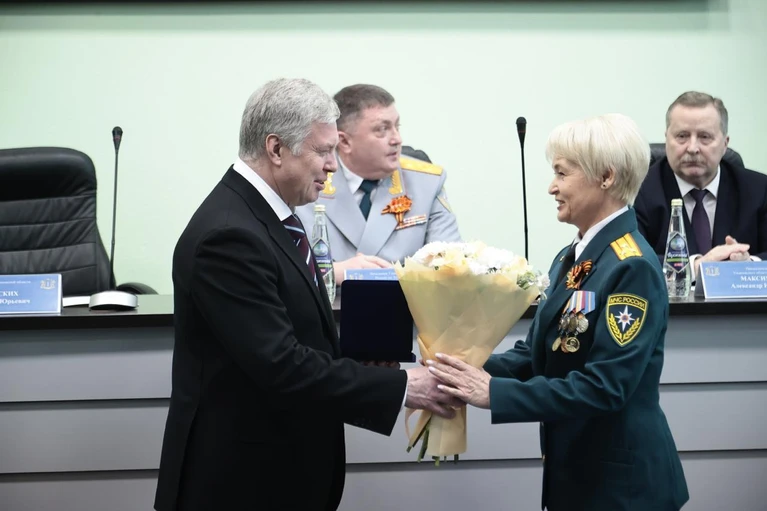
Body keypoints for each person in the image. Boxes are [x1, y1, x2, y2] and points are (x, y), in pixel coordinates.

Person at [153, 78, 459, 511]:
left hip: (278, 473)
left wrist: (357, 362)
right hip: (240, 483)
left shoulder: (270, 218)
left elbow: (293, 335)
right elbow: (281, 365)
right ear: (276, 149)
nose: (333, 166)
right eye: (323, 151)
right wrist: (402, 386)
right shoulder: (229, 236)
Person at [427, 114, 689, 511]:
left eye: (562, 173)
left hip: (622, 486)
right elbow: (538, 354)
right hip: (579, 472)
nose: (552, 187)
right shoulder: (573, 256)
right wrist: (460, 368)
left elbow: (605, 386)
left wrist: (493, 393)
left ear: (606, 177)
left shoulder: (631, 266)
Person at [295, 84, 461, 285]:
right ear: (344, 142)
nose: (397, 139)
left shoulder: (426, 182)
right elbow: (281, 269)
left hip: (404, 303)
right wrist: (333, 272)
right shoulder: (306, 182)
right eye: (382, 130)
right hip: (330, 303)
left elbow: (451, 267)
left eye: (397, 127)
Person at [634, 91, 767, 276]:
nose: (692, 148)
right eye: (682, 136)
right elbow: (633, 262)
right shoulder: (638, 192)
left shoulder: (759, 190)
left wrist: (747, 265)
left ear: (725, 144)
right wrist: (695, 267)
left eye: (704, 137)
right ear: (667, 139)